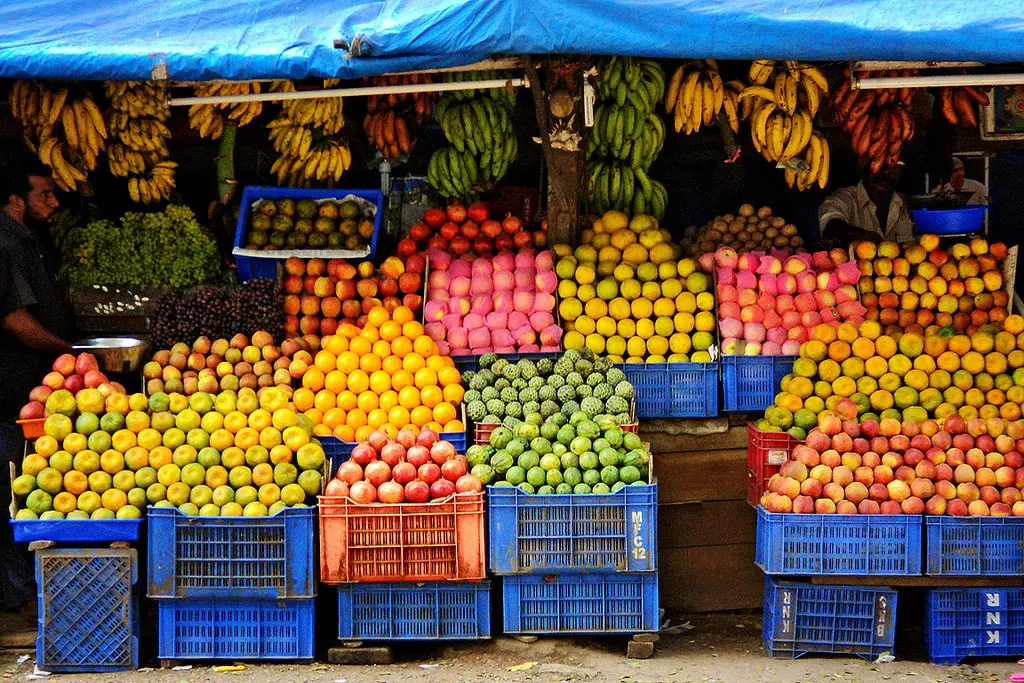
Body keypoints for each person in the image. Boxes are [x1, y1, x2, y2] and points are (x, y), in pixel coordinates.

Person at [0, 159, 73, 614]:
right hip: (9, 391)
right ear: (15, 199)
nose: (54, 201)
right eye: (44, 193)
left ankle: (21, 590)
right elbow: (15, 320)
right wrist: (67, 350)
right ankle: (18, 593)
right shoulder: (6, 243)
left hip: (25, 391)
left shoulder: (24, 239)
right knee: (8, 490)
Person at [818, 163, 915, 246]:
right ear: (865, 165)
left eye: (894, 166)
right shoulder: (843, 199)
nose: (886, 172)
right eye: (879, 164)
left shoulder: (907, 206)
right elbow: (830, 225)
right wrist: (862, 235)